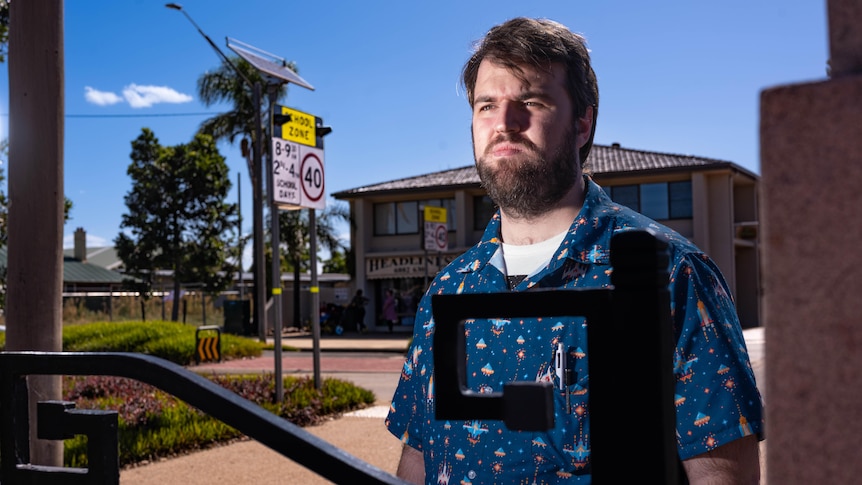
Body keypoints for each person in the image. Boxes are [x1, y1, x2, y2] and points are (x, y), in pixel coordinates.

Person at [385, 17, 763, 484]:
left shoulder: (671, 275)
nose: (504, 123)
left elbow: (722, 476)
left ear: (583, 124)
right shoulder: (447, 290)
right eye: (486, 105)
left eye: (531, 101)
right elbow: (416, 461)